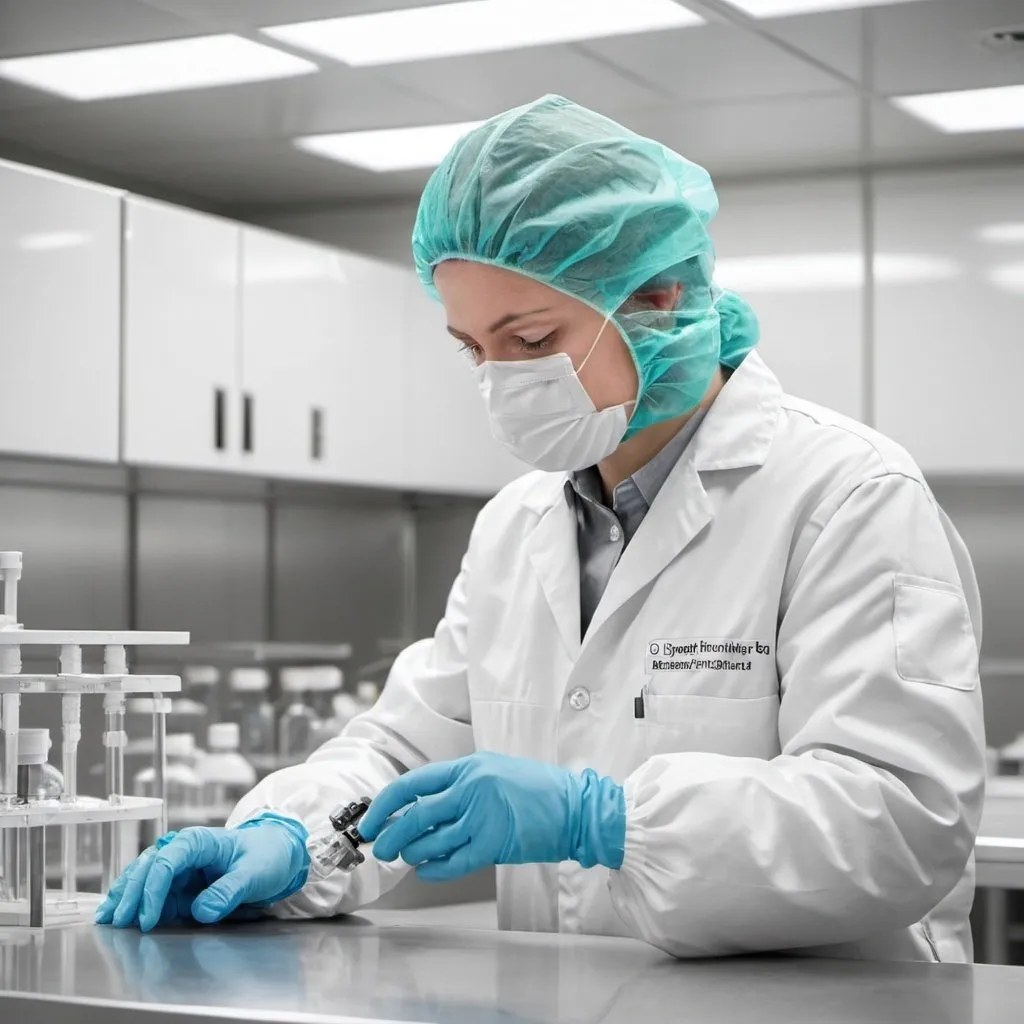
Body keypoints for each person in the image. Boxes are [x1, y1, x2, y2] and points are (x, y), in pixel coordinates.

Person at [96, 95, 985, 962]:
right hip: (574, 995)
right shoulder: (513, 527)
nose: (499, 380)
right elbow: (410, 744)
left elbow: (902, 821)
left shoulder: (847, 495)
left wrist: (602, 821)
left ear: (657, 298)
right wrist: (291, 836)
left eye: (529, 337)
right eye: (473, 348)